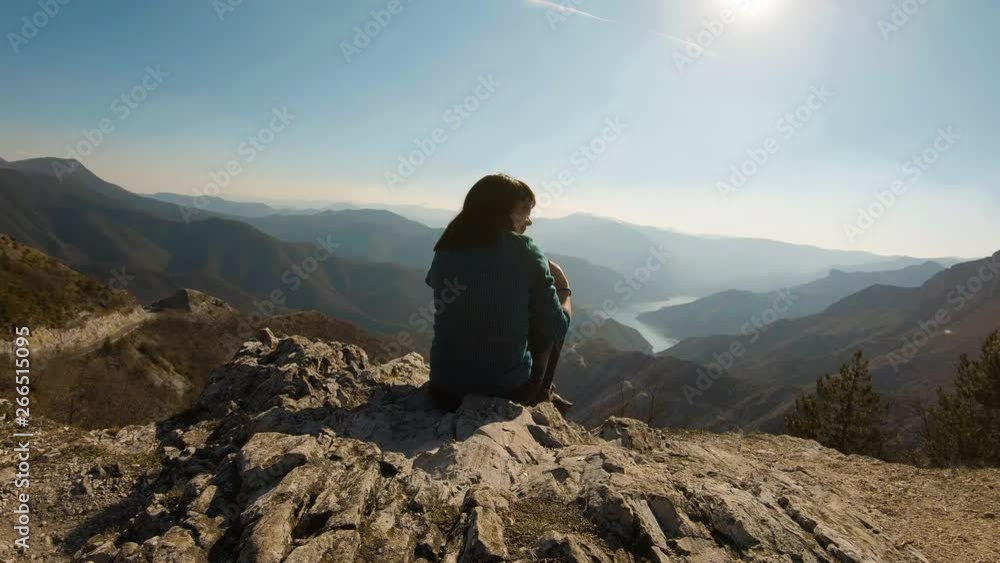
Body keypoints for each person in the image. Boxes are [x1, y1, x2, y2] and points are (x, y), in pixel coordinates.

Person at [425, 173, 574, 413]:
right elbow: (557, 327)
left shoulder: (446, 247)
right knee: (549, 319)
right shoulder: (526, 251)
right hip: (508, 393)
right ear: (502, 209)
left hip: (444, 391)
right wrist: (564, 288)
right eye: (525, 209)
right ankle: (540, 396)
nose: (529, 220)